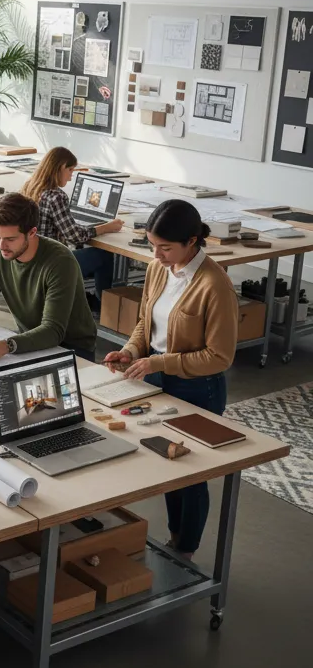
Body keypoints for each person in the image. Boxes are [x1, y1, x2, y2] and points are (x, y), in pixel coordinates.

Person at [104, 199, 238, 560]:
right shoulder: (157, 269)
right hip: (158, 378)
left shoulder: (215, 286)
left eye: (165, 247)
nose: (157, 255)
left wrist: (159, 362)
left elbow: (220, 357)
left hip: (198, 388)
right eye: (152, 245)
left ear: (192, 241)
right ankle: (174, 538)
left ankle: (186, 550)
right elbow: (146, 325)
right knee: (167, 465)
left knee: (190, 473)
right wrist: (131, 351)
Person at [0, 192, 97, 361]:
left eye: (10, 239)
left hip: (72, 349)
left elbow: (53, 330)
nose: (1, 245)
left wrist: (8, 345)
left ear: (32, 232)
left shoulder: (60, 262)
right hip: (30, 340)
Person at [22, 147, 123, 307]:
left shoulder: (31, 187)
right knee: (103, 255)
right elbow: (74, 236)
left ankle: (82, 297)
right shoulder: (56, 196)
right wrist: (106, 227)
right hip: (53, 265)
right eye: (70, 170)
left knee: (84, 252)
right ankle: (102, 305)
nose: (70, 177)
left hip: (33, 261)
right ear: (60, 167)